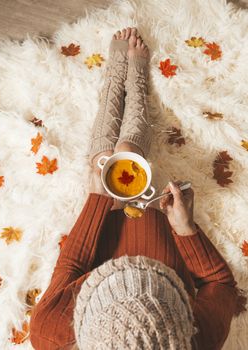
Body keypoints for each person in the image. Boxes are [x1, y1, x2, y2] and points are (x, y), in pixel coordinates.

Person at [29, 27, 246, 350]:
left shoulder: (49, 334)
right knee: (128, 151)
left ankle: (116, 81)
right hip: (157, 225)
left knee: (103, 161)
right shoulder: (197, 340)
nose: (133, 265)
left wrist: (95, 202)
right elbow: (220, 284)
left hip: (104, 234)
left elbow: (71, 266)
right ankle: (137, 80)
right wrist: (186, 230)